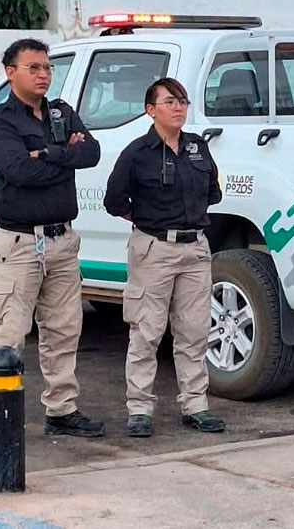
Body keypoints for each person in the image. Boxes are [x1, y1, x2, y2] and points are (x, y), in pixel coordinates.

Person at [0, 38, 104, 437]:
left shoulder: (61, 113)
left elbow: (92, 154)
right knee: (10, 332)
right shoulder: (0, 122)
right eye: (33, 67)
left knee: (64, 330)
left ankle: (61, 409)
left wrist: (46, 154)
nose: (43, 74)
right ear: (10, 72)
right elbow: (19, 171)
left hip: (62, 242)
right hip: (19, 244)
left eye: (47, 67)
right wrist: (63, 154)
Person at [104, 77, 225, 437]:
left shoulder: (198, 147)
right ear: (150, 110)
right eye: (170, 101)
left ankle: (196, 405)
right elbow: (114, 200)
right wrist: (147, 219)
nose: (178, 108)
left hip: (195, 249)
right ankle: (139, 408)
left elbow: (213, 193)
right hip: (154, 248)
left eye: (183, 102)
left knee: (194, 330)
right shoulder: (137, 153)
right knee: (147, 331)